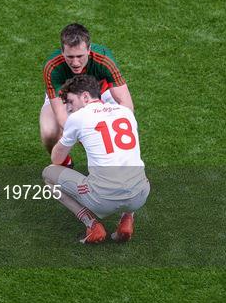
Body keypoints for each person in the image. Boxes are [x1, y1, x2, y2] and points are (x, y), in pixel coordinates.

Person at [42, 75, 150, 243]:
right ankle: (127, 217)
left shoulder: (78, 118)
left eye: (70, 102)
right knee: (127, 162)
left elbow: (56, 158)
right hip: (140, 195)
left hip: (103, 200)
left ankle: (92, 224)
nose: (69, 108)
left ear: (85, 97)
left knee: (48, 174)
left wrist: (67, 136)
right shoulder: (125, 111)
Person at [39, 23, 134, 167]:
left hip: (99, 92)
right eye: (70, 56)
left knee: (116, 128)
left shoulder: (103, 59)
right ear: (62, 51)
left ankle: (119, 165)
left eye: (80, 56)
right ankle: (65, 164)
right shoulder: (52, 67)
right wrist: (86, 135)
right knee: (49, 133)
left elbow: (127, 107)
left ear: (89, 50)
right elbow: (61, 116)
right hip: (66, 95)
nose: (75, 63)